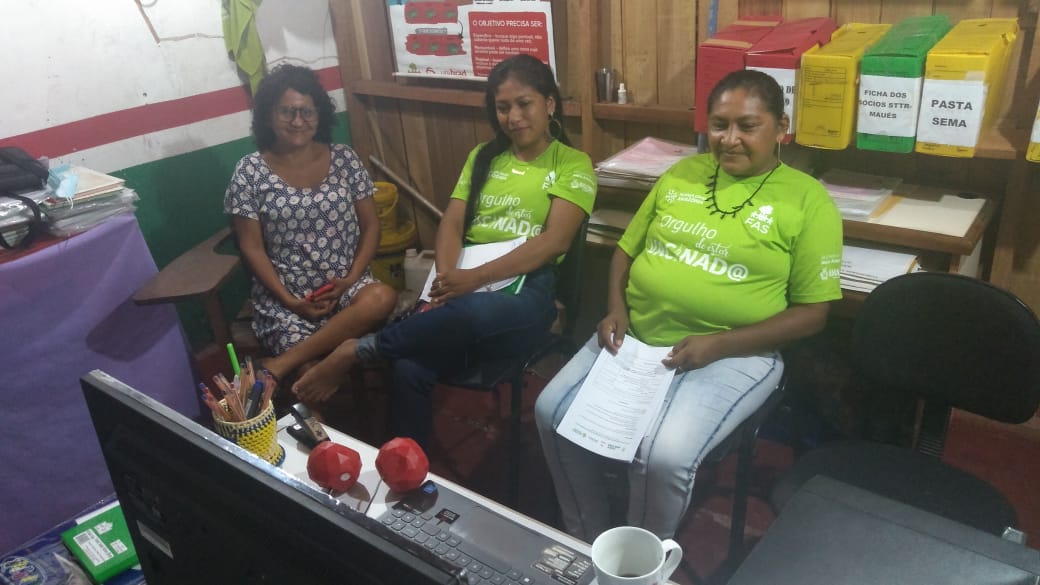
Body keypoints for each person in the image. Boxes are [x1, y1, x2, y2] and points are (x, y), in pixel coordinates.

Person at [534, 69, 844, 541]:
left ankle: (641, 562)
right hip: (636, 337)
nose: (730, 139)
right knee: (551, 412)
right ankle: (586, 537)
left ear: (781, 128)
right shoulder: (682, 174)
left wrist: (718, 344)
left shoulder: (809, 201)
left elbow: (812, 314)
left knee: (662, 456)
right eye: (719, 125)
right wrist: (614, 307)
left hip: (737, 353)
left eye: (748, 125)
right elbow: (624, 251)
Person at [293, 53, 597, 446]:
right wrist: (446, 281)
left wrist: (472, 282)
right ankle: (406, 468)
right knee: (408, 367)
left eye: (525, 104)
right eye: (503, 108)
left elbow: (553, 242)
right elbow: (452, 223)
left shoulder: (574, 164)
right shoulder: (483, 157)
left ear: (549, 104)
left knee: (469, 312)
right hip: (467, 282)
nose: (513, 117)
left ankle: (358, 349)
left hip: (525, 291)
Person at [224, 64, 397, 395]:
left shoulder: (344, 159)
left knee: (381, 296)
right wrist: (290, 301)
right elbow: (252, 247)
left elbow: (371, 225)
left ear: (319, 114)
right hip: (287, 297)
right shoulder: (249, 172)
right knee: (310, 378)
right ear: (269, 116)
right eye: (287, 112)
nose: (298, 121)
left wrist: (351, 277)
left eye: (306, 111)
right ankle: (322, 440)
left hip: (346, 287)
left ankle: (280, 363)